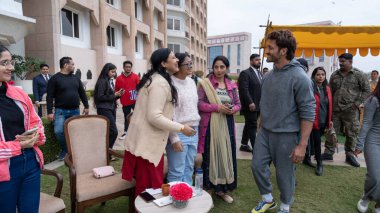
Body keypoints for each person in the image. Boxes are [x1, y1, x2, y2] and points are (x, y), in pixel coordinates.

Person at [250, 30, 315, 213]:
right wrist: (260, 126)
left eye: (270, 48)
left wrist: (302, 145)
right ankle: (268, 199)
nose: (266, 51)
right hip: (265, 132)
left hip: (287, 135)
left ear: (284, 51)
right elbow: (265, 104)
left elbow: (308, 112)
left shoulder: (300, 77)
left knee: (284, 176)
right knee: (256, 166)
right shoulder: (268, 76)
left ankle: (285, 207)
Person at [121, 48, 195, 197]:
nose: (177, 61)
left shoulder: (156, 79)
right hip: (147, 143)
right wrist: (181, 128)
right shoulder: (160, 83)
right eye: (173, 58)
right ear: (163, 63)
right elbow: (154, 116)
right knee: (147, 189)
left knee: (146, 187)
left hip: (145, 142)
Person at [0, 45, 45, 213]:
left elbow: (36, 122)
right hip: (4, 171)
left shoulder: (18, 94)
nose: (11, 67)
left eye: (11, 62)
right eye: (5, 63)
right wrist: (19, 146)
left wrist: (36, 137)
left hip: (30, 163)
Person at [198, 55, 241, 203]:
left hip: (227, 124)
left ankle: (222, 190)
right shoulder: (205, 84)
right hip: (210, 125)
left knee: (224, 155)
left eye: (222, 67)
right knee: (210, 156)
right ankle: (208, 189)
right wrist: (217, 107)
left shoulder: (232, 85)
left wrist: (232, 109)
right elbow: (199, 104)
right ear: (212, 68)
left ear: (226, 68)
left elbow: (238, 104)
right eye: (216, 67)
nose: (219, 70)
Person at [322, 53, 370, 167]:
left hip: (351, 110)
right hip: (335, 109)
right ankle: (329, 152)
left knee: (351, 132)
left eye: (343, 61)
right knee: (331, 131)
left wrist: (357, 104)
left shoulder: (359, 75)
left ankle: (350, 155)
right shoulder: (335, 75)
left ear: (350, 62)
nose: (340, 63)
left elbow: (366, 90)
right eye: (340, 61)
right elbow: (330, 91)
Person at [166, 53, 200, 185]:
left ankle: (185, 199)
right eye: (187, 64)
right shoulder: (169, 83)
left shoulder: (191, 82)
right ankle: (174, 201)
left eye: (191, 63)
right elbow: (169, 113)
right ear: (178, 66)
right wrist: (174, 138)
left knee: (189, 169)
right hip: (179, 131)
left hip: (194, 130)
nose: (191, 66)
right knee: (176, 171)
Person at [46, 57, 89, 161]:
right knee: (59, 131)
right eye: (72, 64)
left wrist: (86, 106)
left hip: (75, 110)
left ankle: (75, 151)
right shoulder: (55, 79)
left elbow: (82, 93)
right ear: (65, 65)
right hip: (60, 111)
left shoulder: (75, 78)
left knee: (75, 131)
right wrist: (50, 112)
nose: (74, 66)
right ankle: (65, 150)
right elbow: (50, 96)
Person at [354, 80, 380, 213]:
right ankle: (366, 197)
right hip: (374, 141)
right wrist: (359, 144)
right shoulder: (373, 100)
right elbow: (366, 123)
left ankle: (378, 204)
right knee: (375, 175)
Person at [94, 63, 123, 152]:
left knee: (109, 132)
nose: (114, 74)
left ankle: (107, 152)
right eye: (112, 72)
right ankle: (107, 152)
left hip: (111, 108)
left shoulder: (109, 80)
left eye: (115, 72)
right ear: (107, 71)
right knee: (114, 131)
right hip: (104, 109)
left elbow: (110, 96)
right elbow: (100, 97)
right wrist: (114, 95)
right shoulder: (102, 81)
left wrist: (118, 95)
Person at [310, 67, 332, 176]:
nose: (321, 76)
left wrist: (330, 120)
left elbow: (329, 106)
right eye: (318, 74)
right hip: (313, 120)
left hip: (323, 120)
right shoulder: (310, 87)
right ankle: (319, 163)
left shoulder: (327, 89)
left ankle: (306, 158)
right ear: (314, 76)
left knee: (315, 141)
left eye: (323, 74)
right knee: (317, 142)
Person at [238, 53, 262, 153]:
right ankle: (255, 148)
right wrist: (250, 102)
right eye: (257, 60)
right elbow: (244, 90)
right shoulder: (245, 73)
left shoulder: (260, 74)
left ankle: (244, 144)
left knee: (249, 125)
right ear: (251, 61)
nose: (259, 62)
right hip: (250, 106)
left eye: (260, 60)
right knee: (252, 125)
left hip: (258, 105)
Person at [115, 61, 140, 140]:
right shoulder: (119, 78)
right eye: (127, 67)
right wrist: (116, 100)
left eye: (129, 67)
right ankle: (126, 132)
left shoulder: (136, 77)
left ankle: (138, 132)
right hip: (125, 102)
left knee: (137, 116)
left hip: (135, 101)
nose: (128, 68)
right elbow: (116, 90)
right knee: (126, 117)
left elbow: (140, 88)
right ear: (123, 67)